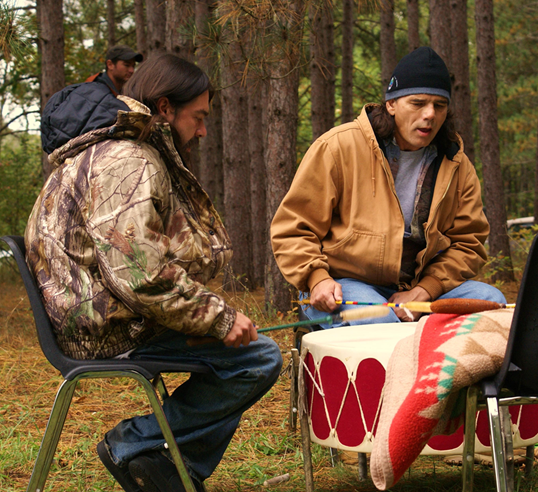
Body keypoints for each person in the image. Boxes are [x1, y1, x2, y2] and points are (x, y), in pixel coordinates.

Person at [25, 53, 283, 492]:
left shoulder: (111, 153)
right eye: (198, 117)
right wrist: (219, 318)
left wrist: (208, 307)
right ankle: (137, 446)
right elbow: (140, 275)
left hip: (99, 317)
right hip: (107, 330)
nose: (202, 131)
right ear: (164, 107)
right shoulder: (128, 160)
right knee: (256, 359)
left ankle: (166, 469)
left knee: (245, 351)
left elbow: (138, 260)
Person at [271, 46, 506, 328]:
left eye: (439, 105)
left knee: (491, 301)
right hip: (344, 286)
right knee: (379, 320)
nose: (430, 114)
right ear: (391, 104)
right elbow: (293, 228)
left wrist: (425, 290)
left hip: (418, 290)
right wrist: (317, 278)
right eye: (418, 103)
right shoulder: (338, 148)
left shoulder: (456, 164)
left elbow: (468, 243)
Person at [41, 45, 144, 155]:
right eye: (126, 65)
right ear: (110, 64)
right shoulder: (93, 90)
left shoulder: (120, 93)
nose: (131, 70)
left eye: (133, 66)